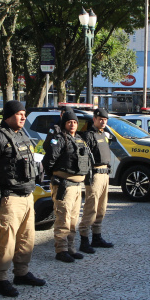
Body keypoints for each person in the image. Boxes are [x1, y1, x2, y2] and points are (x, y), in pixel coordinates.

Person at [0, 100, 47, 297]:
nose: (23, 117)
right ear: (8, 116)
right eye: (19, 113)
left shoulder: (22, 136)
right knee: (6, 241)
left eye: (24, 113)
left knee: (27, 239)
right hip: (9, 198)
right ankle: (1, 279)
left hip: (27, 196)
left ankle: (21, 272)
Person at [43, 109, 91, 262]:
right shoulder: (59, 138)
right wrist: (55, 176)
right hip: (64, 185)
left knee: (73, 219)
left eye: (75, 122)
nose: (72, 124)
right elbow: (48, 160)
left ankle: (71, 248)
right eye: (69, 122)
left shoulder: (78, 139)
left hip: (77, 186)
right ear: (64, 123)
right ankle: (61, 249)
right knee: (63, 218)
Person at [80, 107, 116, 250]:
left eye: (105, 120)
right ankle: (84, 240)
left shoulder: (104, 134)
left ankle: (97, 237)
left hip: (104, 174)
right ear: (94, 119)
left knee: (101, 208)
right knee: (91, 207)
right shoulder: (89, 135)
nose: (103, 122)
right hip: (94, 174)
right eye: (100, 119)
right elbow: (85, 158)